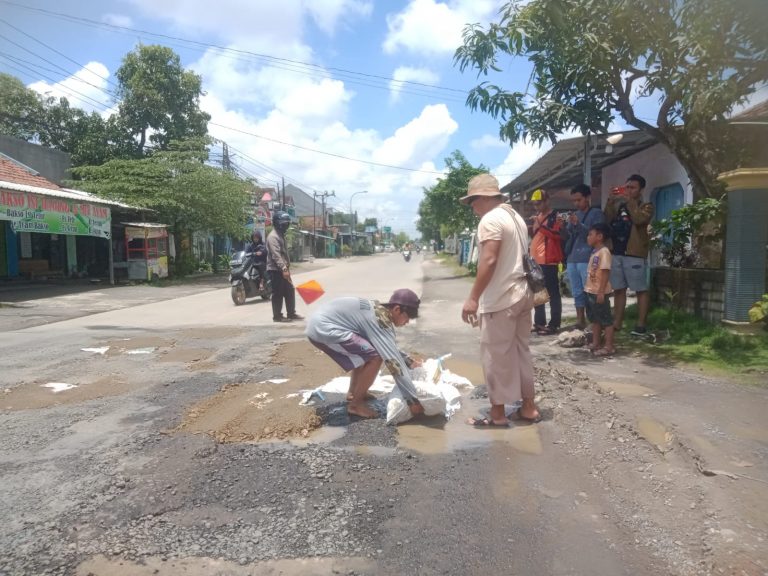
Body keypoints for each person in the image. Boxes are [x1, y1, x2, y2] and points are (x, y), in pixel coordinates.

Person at [459, 173, 540, 427]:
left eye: (473, 201)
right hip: (523, 293)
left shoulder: (490, 219)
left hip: (501, 298)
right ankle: (528, 408)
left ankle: (497, 414)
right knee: (520, 352)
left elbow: (490, 260)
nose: (472, 206)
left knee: (495, 355)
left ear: (485, 198)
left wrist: (473, 298)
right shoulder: (515, 217)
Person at [305, 289, 425, 420]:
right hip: (323, 329)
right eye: (407, 318)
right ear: (397, 309)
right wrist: (412, 401)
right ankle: (355, 405)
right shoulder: (381, 322)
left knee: (366, 349)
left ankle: (353, 393)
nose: (407, 322)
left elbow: (385, 345)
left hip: (321, 323)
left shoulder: (377, 311)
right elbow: (393, 363)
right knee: (375, 357)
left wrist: (408, 361)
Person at [604, 174, 654, 335]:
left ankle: (641, 324)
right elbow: (606, 219)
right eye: (627, 187)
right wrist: (611, 200)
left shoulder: (646, 205)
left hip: (634, 254)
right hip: (617, 251)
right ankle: (617, 323)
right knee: (619, 289)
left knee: (640, 289)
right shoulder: (619, 205)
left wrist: (629, 201)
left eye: (633, 188)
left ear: (641, 190)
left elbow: (639, 219)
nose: (629, 190)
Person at [566, 184, 605, 329]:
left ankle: (593, 322)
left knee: (589, 291)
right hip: (573, 257)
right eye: (574, 201)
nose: (576, 203)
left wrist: (579, 224)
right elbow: (569, 235)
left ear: (588, 197)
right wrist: (565, 226)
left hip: (587, 257)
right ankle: (580, 320)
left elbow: (597, 235)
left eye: (579, 200)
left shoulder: (596, 213)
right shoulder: (575, 214)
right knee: (576, 291)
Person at [528, 188, 566, 335]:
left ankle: (554, 324)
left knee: (553, 294)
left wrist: (540, 225)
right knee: (538, 293)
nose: (536, 207)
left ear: (547, 201)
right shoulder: (538, 216)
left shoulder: (556, 216)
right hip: (535, 260)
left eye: (539, 204)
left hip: (549, 261)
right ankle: (539, 322)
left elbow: (558, 235)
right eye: (535, 204)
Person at [584, 223, 616, 356]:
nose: (588, 237)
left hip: (599, 292)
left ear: (600, 236)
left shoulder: (604, 252)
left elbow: (605, 272)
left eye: (590, 234)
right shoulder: (595, 252)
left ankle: (609, 346)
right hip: (591, 290)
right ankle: (596, 343)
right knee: (595, 319)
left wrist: (601, 292)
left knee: (606, 319)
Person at [266, 211, 303, 323]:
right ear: (277, 223)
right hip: (275, 270)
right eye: (283, 224)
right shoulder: (273, 237)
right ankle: (277, 316)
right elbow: (276, 255)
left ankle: (291, 313)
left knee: (289, 291)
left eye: (287, 224)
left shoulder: (280, 235)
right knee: (278, 293)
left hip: (282, 268)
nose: (285, 226)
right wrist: (284, 268)